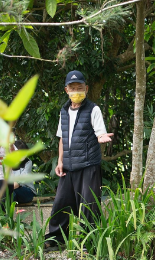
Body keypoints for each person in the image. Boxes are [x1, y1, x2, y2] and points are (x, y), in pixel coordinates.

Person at [45, 70, 113, 248]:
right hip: (68, 166)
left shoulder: (93, 109)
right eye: (73, 88)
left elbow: (100, 132)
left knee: (88, 206)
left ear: (86, 88)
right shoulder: (64, 111)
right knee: (60, 203)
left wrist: (102, 138)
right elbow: (62, 138)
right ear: (66, 90)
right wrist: (60, 162)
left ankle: (89, 242)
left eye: (80, 87)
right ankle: (55, 240)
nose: (76, 91)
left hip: (88, 165)